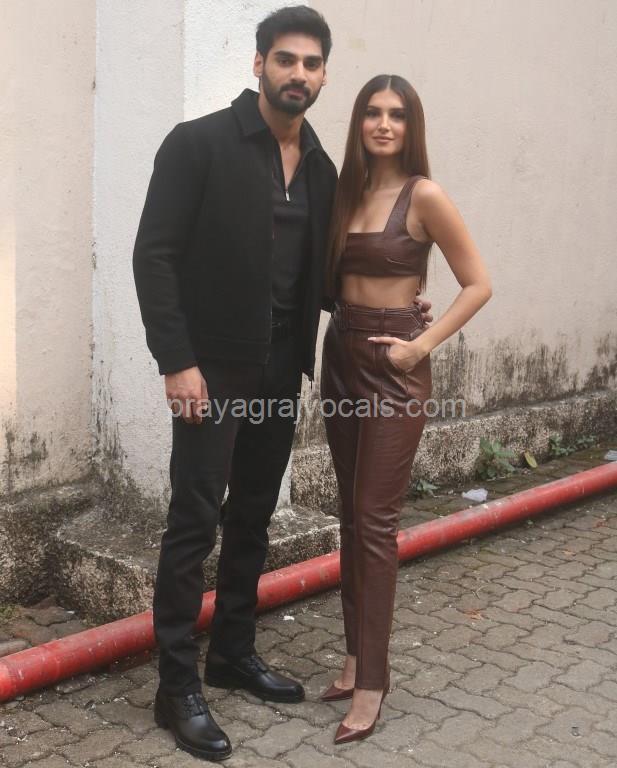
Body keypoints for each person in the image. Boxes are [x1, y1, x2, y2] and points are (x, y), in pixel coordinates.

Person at [133, 6, 341, 762]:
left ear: (323, 75)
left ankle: (231, 651)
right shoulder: (199, 144)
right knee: (194, 520)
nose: (297, 74)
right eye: (285, 59)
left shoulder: (320, 167)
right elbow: (154, 255)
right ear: (258, 64)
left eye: (311, 64)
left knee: (253, 511)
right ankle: (176, 686)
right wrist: (176, 360)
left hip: (281, 364)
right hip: (212, 369)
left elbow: (322, 274)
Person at [319, 74, 492, 745]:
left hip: (394, 367)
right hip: (340, 355)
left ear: (410, 125)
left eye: (396, 114)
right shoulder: (347, 191)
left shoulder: (425, 195)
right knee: (349, 513)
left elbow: (478, 284)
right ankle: (352, 659)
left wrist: (420, 343)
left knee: (374, 522)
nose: (383, 124)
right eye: (372, 112)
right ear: (359, 122)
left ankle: (372, 683)